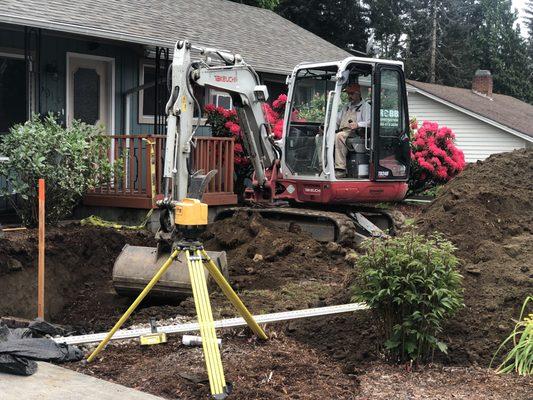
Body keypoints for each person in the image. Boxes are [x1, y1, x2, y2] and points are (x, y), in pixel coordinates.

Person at [335, 83, 371, 178]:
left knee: (339, 136)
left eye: (351, 94)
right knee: (323, 137)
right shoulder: (346, 106)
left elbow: (370, 122)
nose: (349, 96)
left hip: (357, 133)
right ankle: (324, 166)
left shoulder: (365, 106)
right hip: (344, 131)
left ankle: (340, 169)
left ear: (358, 93)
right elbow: (337, 120)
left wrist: (358, 124)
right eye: (348, 94)